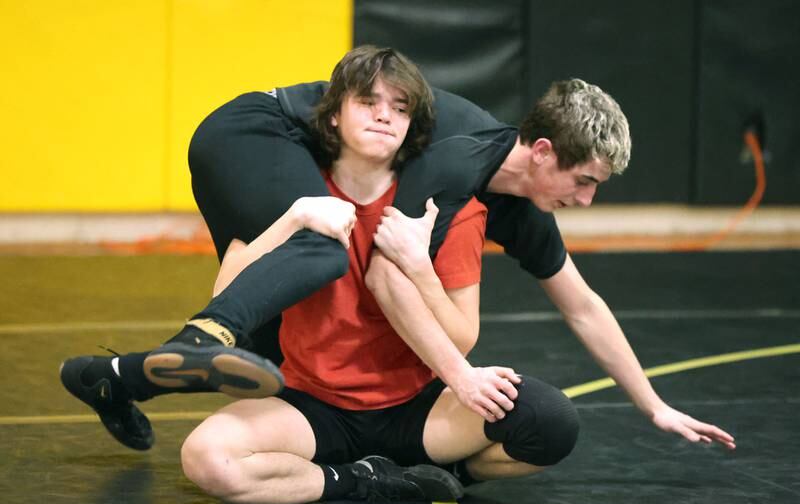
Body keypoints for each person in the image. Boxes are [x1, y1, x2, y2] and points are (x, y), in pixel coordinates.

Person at [61, 45, 734, 459]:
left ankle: (116, 378)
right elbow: (387, 278)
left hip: (275, 155)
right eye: (583, 182)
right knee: (325, 249)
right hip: (251, 131)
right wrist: (461, 378)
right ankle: (200, 336)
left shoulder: (516, 198)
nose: (586, 201)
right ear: (543, 153)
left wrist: (654, 405)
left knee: (276, 314)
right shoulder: (450, 162)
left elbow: (583, 304)